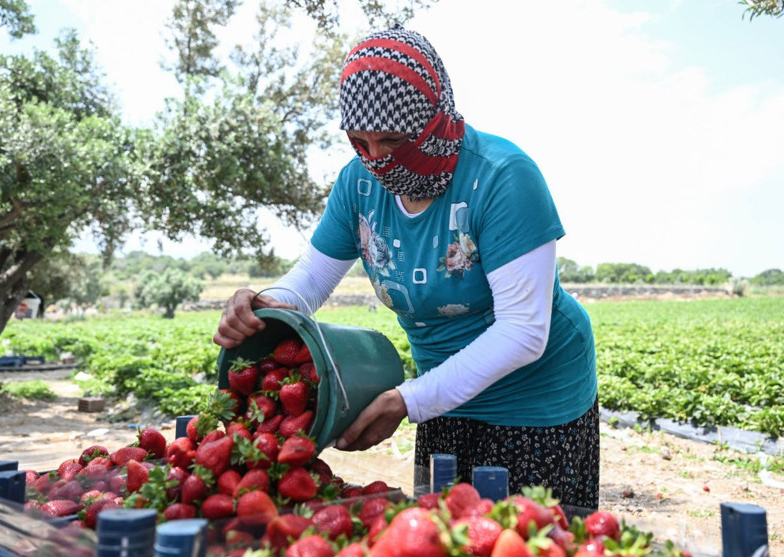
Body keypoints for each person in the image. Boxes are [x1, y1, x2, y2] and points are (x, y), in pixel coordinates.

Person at [214, 25, 599, 508]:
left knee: (527, 543)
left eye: (392, 141)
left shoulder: (501, 178)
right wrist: (263, 304)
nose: (376, 160)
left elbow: (523, 330)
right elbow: (311, 279)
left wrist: (409, 400)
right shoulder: (358, 185)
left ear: (434, 121)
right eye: (360, 142)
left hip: (534, 400)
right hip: (441, 392)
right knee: (446, 539)